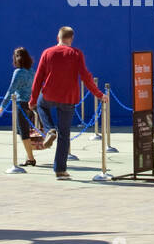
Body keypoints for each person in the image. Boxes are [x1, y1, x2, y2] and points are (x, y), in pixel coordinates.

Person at [28, 26, 104, 181]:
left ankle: (49, 130)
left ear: (58, 38)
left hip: (49, 94)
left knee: (41, 105)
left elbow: (38, 78)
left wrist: (33, 99)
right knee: (65, 134)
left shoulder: (47, 53)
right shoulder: (76, 54)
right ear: (71, 39)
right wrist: (99, 94)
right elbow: (85, 76)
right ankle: (60, 170)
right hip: (69, 97)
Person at [0, 47, 39, 167]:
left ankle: (30, 158)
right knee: (27, 131)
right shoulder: (32, 71)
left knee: (23, 131)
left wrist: (2, 105)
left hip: (21, 104)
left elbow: (11, 90)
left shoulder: (18, 72)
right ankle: (29, 154)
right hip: (32, 104)